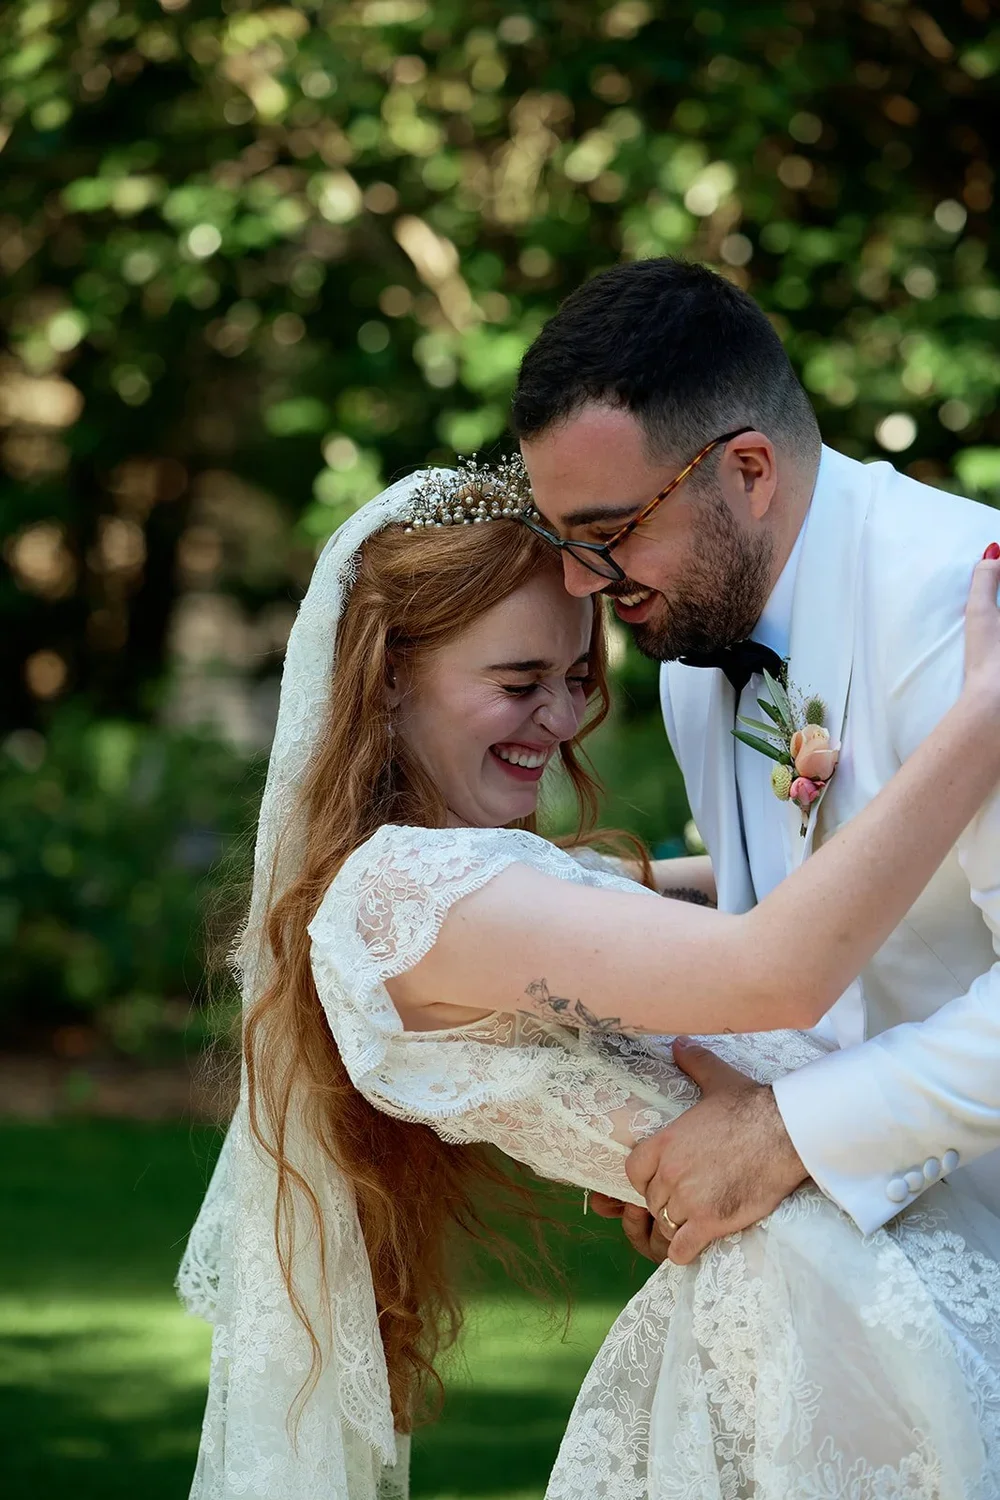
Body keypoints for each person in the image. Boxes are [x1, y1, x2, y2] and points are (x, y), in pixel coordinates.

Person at [179, 461, 1000, 1500]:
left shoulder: (475, 878)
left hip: (835, 1255)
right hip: (815, 1299)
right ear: (387, 673)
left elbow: (738, 894)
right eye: (518, 684)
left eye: (578, 680)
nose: (562, 721)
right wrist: (981, 715)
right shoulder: (402, 899)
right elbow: (777, 969)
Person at [511, 255, 1000, 1272]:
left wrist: (782, 1136)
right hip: (865, 1276)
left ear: (748, 470)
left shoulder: (960, 609)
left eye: (606, 535)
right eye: (560, 538)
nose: (576, 581)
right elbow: (787, 923)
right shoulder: (697, 642)